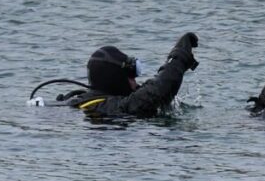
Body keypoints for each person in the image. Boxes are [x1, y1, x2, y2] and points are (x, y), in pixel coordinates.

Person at [29, 32, 199, 117]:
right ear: (116, 80)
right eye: (131, 76)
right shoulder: (109, 107)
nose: (135, 81)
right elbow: (157, 91)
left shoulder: (84, 100)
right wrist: (178, 58)